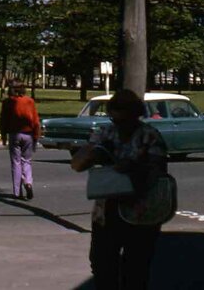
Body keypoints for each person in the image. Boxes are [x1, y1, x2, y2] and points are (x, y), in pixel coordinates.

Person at [71, 90, 167, 290]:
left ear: (136, 115)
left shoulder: (149, 136)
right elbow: (77, 165)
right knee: (101, 264)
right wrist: (92, 153)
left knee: (136, 269)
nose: (120, 125)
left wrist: (133, 167)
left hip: (140, 211)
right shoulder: (105, 133)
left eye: (125, 120)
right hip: (107, 212)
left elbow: (158, 172)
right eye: (115, 119)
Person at [0, 79, 40, 200]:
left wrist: (3, 136)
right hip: (28, 134)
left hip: (14, 134)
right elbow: (35, 120)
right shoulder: (29, 101)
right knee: (26, 161)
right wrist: (36, 136)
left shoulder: (7, 102)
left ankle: (17, 191)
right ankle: (28, 182)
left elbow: (3, 120)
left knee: (16, 162)